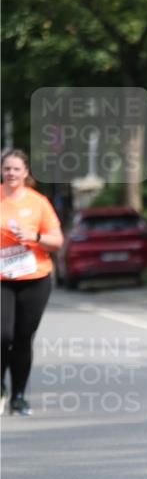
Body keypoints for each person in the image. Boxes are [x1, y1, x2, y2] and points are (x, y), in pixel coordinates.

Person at [1, 149, 63, 415]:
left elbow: (57, 241)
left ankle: (18, 396)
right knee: (3, 335)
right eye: (6, 169)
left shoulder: (39, 203)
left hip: (35, 278)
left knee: (24, 338)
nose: (11, 174)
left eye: (16, 169)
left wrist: (34, 235)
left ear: (26, 172)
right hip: (2, 278)